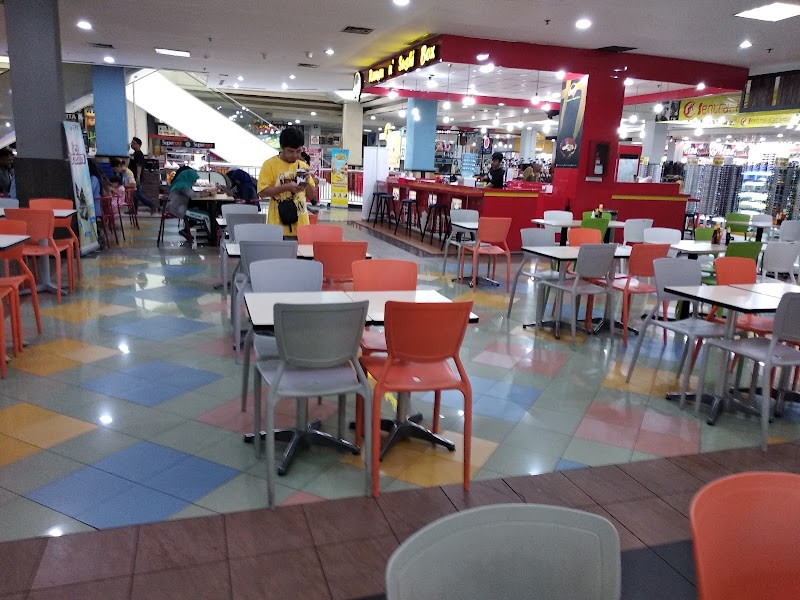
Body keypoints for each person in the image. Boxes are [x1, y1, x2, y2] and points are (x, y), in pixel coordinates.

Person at [257, 127, 316, 237]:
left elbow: (312, 196)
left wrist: (307, 182)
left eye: (298, 151)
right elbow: (262, 192)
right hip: (277, 226)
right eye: (291, 151)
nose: (295, 155)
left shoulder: (303, 166)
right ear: (282, 147)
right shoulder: (269, 165)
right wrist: (286, 187)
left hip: (302, 226)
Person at [165, 167, 211, 242]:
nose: (194, 182)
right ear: (189, 178)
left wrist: (201, 193)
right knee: (203, 215)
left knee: (197, 210)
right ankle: (210, 236)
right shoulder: (183, 186)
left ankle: (186, 230)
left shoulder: (180, 183)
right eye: (194, 179)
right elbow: (193, 195)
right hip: (177, 209)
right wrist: (204, 194)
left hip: (175, 206)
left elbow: (191, 194)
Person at [127, 137, 157, 215]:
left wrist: (138, 176)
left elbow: (139, 166)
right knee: (134, 195)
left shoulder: (139, 154)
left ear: (138, 145)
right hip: (133, 176)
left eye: (133, 143)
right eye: (132, 142)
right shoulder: (134, 154)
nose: (132, 144)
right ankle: (134, 209)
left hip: (136, 177)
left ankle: (151, 205)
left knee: (137, 194)